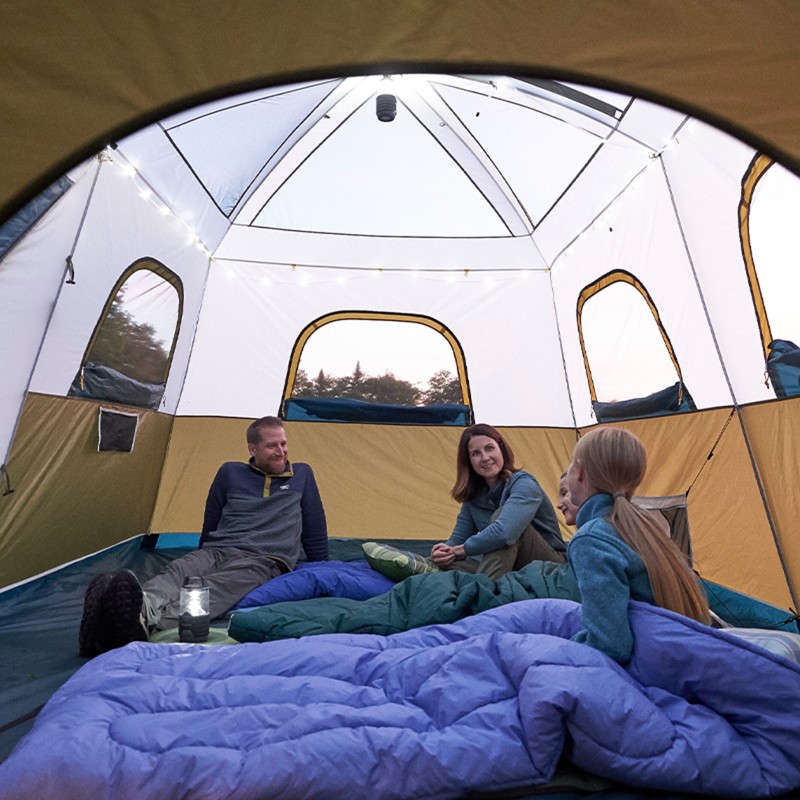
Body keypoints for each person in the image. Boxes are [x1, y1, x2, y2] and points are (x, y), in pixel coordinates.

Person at [79, 415, 328, 656]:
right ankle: (141, 606)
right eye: (271, 445)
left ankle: (140, 623)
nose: (281, 451)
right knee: (178, 571)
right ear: (253, 449)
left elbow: (314, 524)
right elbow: (212, 516)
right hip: (217, 549)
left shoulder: (302, 475)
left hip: (262, 558)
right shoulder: (230, 472)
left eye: (283, 443)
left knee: (214, 588)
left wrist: (324, 568)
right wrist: (202, 554)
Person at [565, 426, 710, 663]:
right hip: (683, 652)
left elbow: (610, 645)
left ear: (579, 471)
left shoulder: (591, 540)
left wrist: (558, 648)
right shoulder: (644, 526)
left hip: (656, 663)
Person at [364, 423, 566, 582]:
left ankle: (481, 592)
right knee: (443, 566)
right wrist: (443, 551)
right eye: (476, 454)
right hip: (505, 564)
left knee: (505, 525)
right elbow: (457, 540)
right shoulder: (474, 497)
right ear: (468, 461)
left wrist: (461, 550)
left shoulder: (524, 483)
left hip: (548, 564)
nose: (485, 458)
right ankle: (419, 571)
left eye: (489, 448)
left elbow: (504, 533)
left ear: (501, 450)